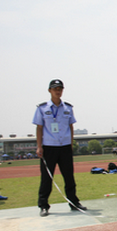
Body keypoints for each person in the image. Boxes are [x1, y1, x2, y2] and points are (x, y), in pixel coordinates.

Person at [32, 79, 86, 217]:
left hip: (65, 147)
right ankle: (43, 205)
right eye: (55, 88)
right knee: (46, 178)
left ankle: (74, 202)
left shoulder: (68, 108)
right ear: (50, 90)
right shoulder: (42, 108)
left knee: (69, 177)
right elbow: (39, 127)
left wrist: (71, 143)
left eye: (60, 88)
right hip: (49, 147)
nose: (58, 91)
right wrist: (39, 146)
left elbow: (70, 126)